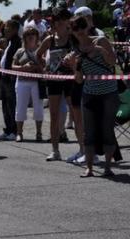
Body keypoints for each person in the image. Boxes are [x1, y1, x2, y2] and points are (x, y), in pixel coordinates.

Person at [71, 14, 119, 177]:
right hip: (89, 93)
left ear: (87, 27)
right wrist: (74, 66)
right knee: (89, 132)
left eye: (81, 26)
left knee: (107, 130)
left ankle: (107, 167)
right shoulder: (76, 49)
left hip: (109, 93)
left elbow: (112, 62)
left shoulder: (100, 41)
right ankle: (89, 168)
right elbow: (79, 80)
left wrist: (100, 50)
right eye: (75, 28)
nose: (79, 31)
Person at [37, 7, 83, 163]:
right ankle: (55, 150)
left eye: (64, 21)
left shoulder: (72, 38)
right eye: (60, 21)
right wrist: (44, 67)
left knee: (76, 114)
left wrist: (75, 64)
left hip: (70, 80)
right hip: (54, 80)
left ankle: (83, 150)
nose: (62, 24)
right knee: (54, 115)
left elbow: (81, 52)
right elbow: (38, 54)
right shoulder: (50, 39)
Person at [11, 26, 44, 143]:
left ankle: (39, 133)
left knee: (38, 108)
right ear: (24, 37)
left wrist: (36, 67)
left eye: (33, 34)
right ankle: (19, 133)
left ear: (37, 37)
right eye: (28, 35)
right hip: (22, 81)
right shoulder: (20, 51)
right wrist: (23, 67)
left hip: (37, 82)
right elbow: (12, 66)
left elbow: (44, 66)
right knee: (20, 107)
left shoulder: (41, 50)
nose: (30, 37)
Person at [0, 19, 22, 141]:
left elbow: (15, 60)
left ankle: (13, 130)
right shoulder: (9, 42)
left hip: (11, 78)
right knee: (5, 105)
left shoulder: (18, 42)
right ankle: (8, 130)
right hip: (4, 77)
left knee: (12, 105)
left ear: (15, 30)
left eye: (8, 28)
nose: (5, 30)